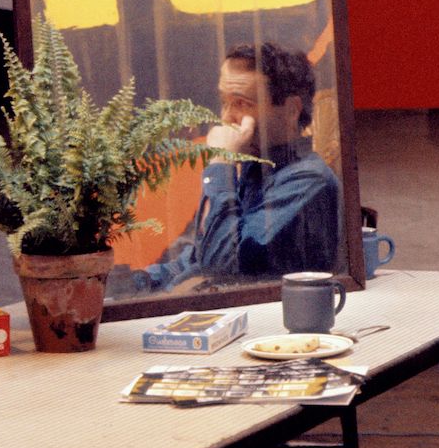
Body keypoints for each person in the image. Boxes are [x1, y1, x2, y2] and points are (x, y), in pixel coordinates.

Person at [134, 42, 341, 290]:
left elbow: (220, 266)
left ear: (291, 110)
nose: (227, 119)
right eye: (225, 102)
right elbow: (195, 258)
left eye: (241, 104)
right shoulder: (255, 170)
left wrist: (221, 162)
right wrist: (130, 286)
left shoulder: (309, 180)